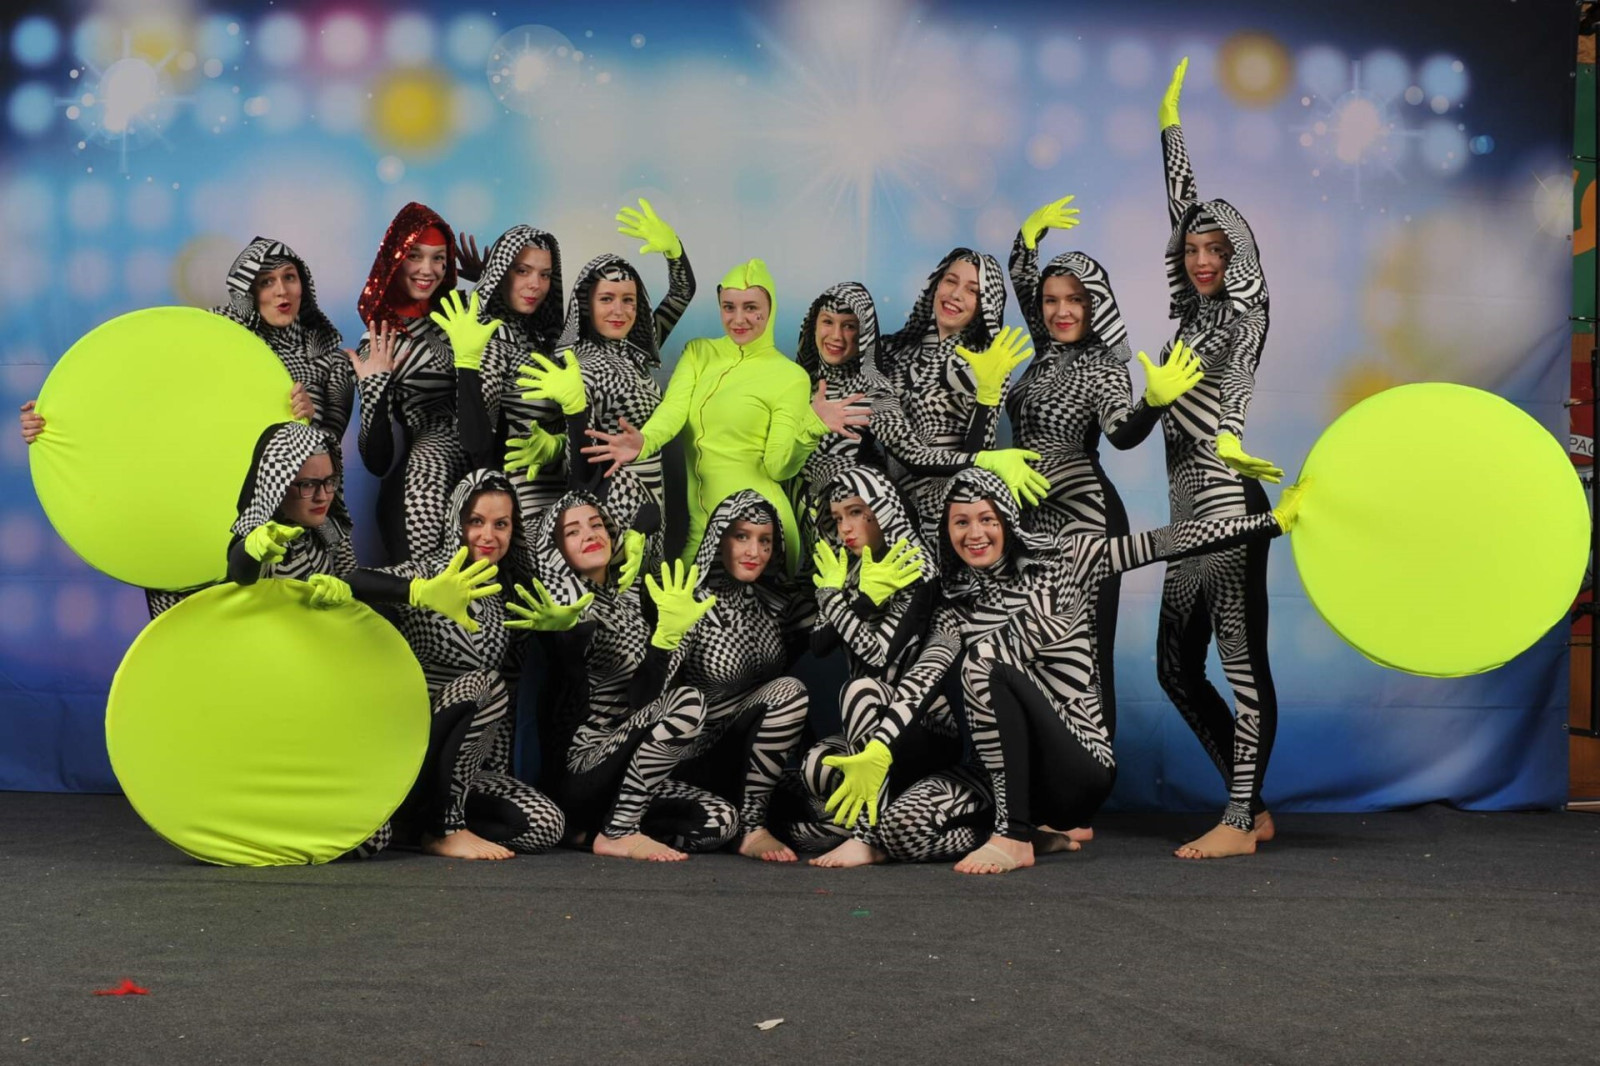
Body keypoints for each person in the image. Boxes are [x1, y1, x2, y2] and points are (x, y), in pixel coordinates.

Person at [933, 467, 1302, 874]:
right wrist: (883, 748)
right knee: (904, 825)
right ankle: (1031, 834)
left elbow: (1166, 541)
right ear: (945, 530)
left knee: (984, 659)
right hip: (1012, 776)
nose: (975, 533)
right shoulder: (953, 601)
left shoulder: (1065, 558)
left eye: (987, 518)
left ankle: (1013, 836)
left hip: (1077, 772)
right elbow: (920, 681)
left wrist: (1268, 523)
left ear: (1007, 519)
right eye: (961, 522)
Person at [1153, 59, 1286, 859]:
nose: (1203, 259)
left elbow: (1234, 383)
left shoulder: (1245, 310)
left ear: (1239, 255)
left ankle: (1239, 821)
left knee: (1240, 664)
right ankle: (1253, 803)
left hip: (1227, 502)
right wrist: (1169, 123)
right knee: (1175, 668)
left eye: (1217, 249)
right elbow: (1183, 204)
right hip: (1185, 511)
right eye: (1194, 249)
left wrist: (1230, 436)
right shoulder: (1191, 310)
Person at [1007, 200, 1203, 741]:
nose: (1061, 311)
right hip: (1030, 521)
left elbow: (1120, 433)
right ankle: (1046, 779)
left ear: (1095, 304)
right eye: (1051, 300)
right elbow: (1022, 279)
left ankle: (1091, 784)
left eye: (1075, 299)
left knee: (1086, 653)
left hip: (1084, 518)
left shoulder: (1106, 365)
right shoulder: (1046, 348)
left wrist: (1153, 403)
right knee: (1033, 652)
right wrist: (1028, 237)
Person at [581, 259, 866, 573]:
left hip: (755, 529)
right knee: (674, 598)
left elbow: (779, 467)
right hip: (701, 529)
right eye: (729, 307)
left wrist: (810, 428)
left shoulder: (790, 377)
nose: (738, 318)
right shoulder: (698, 352)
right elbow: (674, 409)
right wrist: (645, 441)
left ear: (770, 309)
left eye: (751, 307)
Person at [342, 469, 567, 860]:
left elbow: (509, 700)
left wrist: (569, 630)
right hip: (409, 749)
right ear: (455, 522)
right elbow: (350, 582)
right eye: (475, 521)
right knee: (484, 683)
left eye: (501, 524)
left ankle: (417, 824)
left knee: (546, 825)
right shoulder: (429, 572)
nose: (488, 535)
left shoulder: (509, 595)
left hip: (462, 772)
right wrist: (417, 592)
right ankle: (444, 828)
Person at [526, 472, 739, 861]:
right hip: (582, 769)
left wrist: (666, 638)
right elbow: (569, 684)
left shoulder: (630, 593)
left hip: (629, 774)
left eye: (596, 523)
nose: (590, 534)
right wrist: (569, 636)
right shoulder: (562, 607)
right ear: (557, 549)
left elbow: (642, 699)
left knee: (721, 821)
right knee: (687, 702)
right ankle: (617, 831)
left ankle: (595, 829)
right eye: (573, 531)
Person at [795, 466, 978, 869]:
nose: (845, 527)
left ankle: (866, 834)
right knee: (814, 769)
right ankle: (874, 818)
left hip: (921, 725)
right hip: (863, 723)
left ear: (882, 510)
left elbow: (879, 658)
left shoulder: (916, 567)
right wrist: (856, 598)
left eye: (856, 512)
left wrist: (837, 600)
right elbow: (819, 645)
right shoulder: (849, 567)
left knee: (861, 689)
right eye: (837, 517)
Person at [793, 282, 1048, 536]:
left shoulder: (873, 392)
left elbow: (915, 456)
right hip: (794, 522)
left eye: (849, 326)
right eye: (828, 322)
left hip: (847, 529)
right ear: (813, 324)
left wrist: (984, 459)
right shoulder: (796, 383)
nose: (836, 336)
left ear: (864, 332)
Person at [664, 491, 816, 861]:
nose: (754, 552)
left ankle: (750, 819)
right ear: (719, 538)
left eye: (765, 541)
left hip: (750, 765)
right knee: (788, 689)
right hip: (694, 760)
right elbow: (655, 698)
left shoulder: (775, 605)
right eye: (742, 536)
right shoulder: (691, 600)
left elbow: (826, 636)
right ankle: (750, 827)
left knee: (828, 822)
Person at [348, 202, 467, 562]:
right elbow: (376, 461)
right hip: (423, 482)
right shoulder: (380, 340)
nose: (427, 269)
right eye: (415, 255)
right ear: (395, 258)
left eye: (439, 258)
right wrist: (375, 388)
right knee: (433, 585)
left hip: (479, 478)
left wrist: (491, 281)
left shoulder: (458, 316)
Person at [877, 248, 1027, 525]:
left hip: (949, 508)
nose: (956, 294)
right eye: (951, 281)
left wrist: (988, 394)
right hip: (888, 505)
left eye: (973, 290)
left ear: (985, 305)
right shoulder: (892, 350)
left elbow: (979, 456)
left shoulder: (989, 360)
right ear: (935, 285)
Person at [212, 236, 353, 439]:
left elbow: (333, 448)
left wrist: (310, 419)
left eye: (289, 277)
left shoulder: (334, 361)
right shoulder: (223, 344)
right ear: (248, 293)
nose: (282, 291)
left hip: (306, 459)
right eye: (266, 281)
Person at [226, 421, 356, 591]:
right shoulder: (267, 540)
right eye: (308, 484)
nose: (323, 497)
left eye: (330, 481)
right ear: (276, 487)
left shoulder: (329, 526)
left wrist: (346, 591)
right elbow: (241, 574)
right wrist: (250, 551)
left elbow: (350, 575)